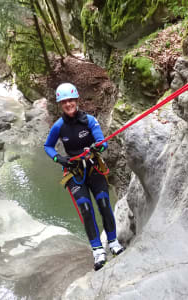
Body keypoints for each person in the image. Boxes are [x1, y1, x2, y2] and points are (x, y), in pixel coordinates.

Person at [44, 82, 124, 271]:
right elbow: (47, 146)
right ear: (60, 104)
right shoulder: (59, 126)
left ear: (77, 100)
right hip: (74, 172)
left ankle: (113, 242)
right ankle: (97, 250)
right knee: (85, 208)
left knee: (104, 202)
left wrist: (98, 147)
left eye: (71, 100)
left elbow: (102, 142)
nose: (68, 104)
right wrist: (60, 158)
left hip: (94, 168)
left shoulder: (89, 121)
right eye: (64, 102)